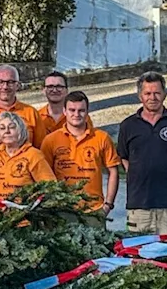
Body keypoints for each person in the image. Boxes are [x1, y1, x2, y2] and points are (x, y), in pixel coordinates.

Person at [116, 72, 167, 236]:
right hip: (139, 205)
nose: (152, 97)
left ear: (164, 94)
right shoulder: (127, 126)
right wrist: (141, 176)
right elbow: (124, 159)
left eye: (157, 93)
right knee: (139, 255)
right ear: (140, 96)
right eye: (147, 93)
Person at [40, 91, 120, 227]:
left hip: (94, 210)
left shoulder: (101, 137)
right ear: (64, 111)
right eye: (72, 110)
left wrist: (108, 205)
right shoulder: (51, 140)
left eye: (81, 110)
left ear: (87, 112)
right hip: (62, 210)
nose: (76, 114)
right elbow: (42, 176)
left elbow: (113, 171)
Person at [0, 111, 55, 214]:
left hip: (23, 221)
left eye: (11, 127)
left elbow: (51, 187)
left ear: (20, 130)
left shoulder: (33, 155)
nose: (6, 131)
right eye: (2, 128)